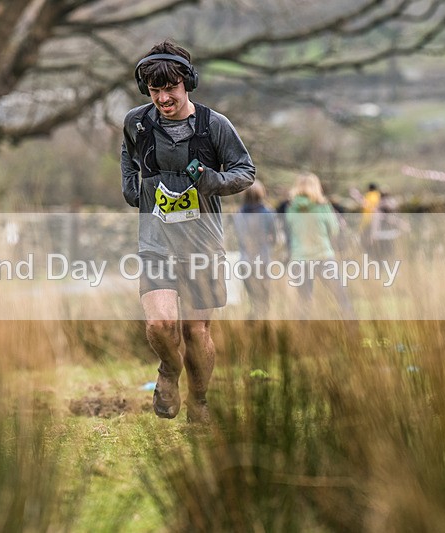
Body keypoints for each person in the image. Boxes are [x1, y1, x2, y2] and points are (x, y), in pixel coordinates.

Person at [121, 41, 256, 423]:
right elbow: (128, 158)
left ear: (187, 84)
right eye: (155, 90)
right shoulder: (137, 122)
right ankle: (168, 369)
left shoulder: (214, 125)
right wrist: (132, 188)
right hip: (156, 241)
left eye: (171, 88)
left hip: (203, 243)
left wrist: (211, 180)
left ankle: (199, 402)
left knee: (196, 330)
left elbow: (245, 171)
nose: (164, 98)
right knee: (160, 324)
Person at [286, 172, 355, 320]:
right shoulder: (323, 206)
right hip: (323, 256)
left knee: (304, 301)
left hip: (300, 259)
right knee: (341, 297)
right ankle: (352, 329)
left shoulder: (291, 208)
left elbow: (290, 230)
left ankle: (302, 336)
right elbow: (334, 230)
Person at [233, 180, 277, 318]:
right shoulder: (269, 213)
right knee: (264, 298)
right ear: (261, 194)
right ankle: (263, 326)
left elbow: (239, 237)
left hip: (245, 261)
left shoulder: (238, 215)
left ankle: (255, 322)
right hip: (263, 260)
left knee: (253, 299)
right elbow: (274, 238)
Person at [369, 190, 410, 262]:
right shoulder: (391, 206)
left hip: (381, 235)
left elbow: (376, 222)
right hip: (391, 235)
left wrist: (373, 234)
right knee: (391, 256)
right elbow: (396, 220)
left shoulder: (378, 206)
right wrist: (404, 226)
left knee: (383, 256)